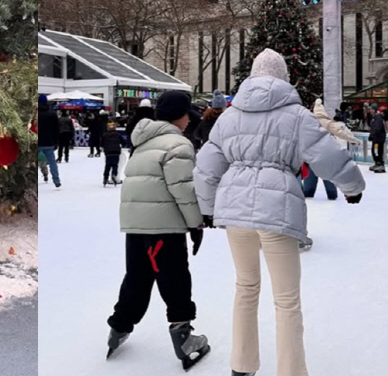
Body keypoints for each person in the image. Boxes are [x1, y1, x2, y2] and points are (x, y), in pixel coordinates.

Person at [193, 49, 365, 376]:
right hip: (277, 212)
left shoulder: (229, 116)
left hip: (235, 214)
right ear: (283, 78)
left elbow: (205, 166)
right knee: (286, 301)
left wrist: (209, 209)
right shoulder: (296, 115)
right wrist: (353, 187)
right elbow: (327, 156)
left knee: (245, 287)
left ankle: (242, 366)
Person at [106, 90, 210, 371]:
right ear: (181, 115)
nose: (190, 120)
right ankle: (184, 336)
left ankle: (119, 327)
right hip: (163, 227)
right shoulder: (178, 145)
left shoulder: (143, 142)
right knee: (174, 277)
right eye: (189, 114)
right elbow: (184, 190)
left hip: (136, 225)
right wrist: (196, 223)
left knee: (137, 277)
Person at [38, 94, 61, 188]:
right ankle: (56, 180)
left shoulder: (35, 113)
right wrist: (56, 142)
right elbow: (56, 129)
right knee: (52, 162)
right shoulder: (52, 114)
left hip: (38, 141)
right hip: (49, 142)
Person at [101, 121, 126, 187]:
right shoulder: (118, 135)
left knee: (107, 166)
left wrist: (103, 148)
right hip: (116, 152)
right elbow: (124, 142)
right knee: (115, 165)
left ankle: (105, 177)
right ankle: (114, 174)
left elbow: (101, 143)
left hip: (108, 152)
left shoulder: (105, 135)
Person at [369, 104, 386, 173]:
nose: (370, 110)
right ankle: (377, 163)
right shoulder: (374, 117)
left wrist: (372, 135)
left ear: (374, 110)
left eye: (371, 109)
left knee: (377, 151)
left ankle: (380, 164)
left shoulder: (378, 117)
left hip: (378, 138)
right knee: (375, 151)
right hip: (376, 138)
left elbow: (377, 128)